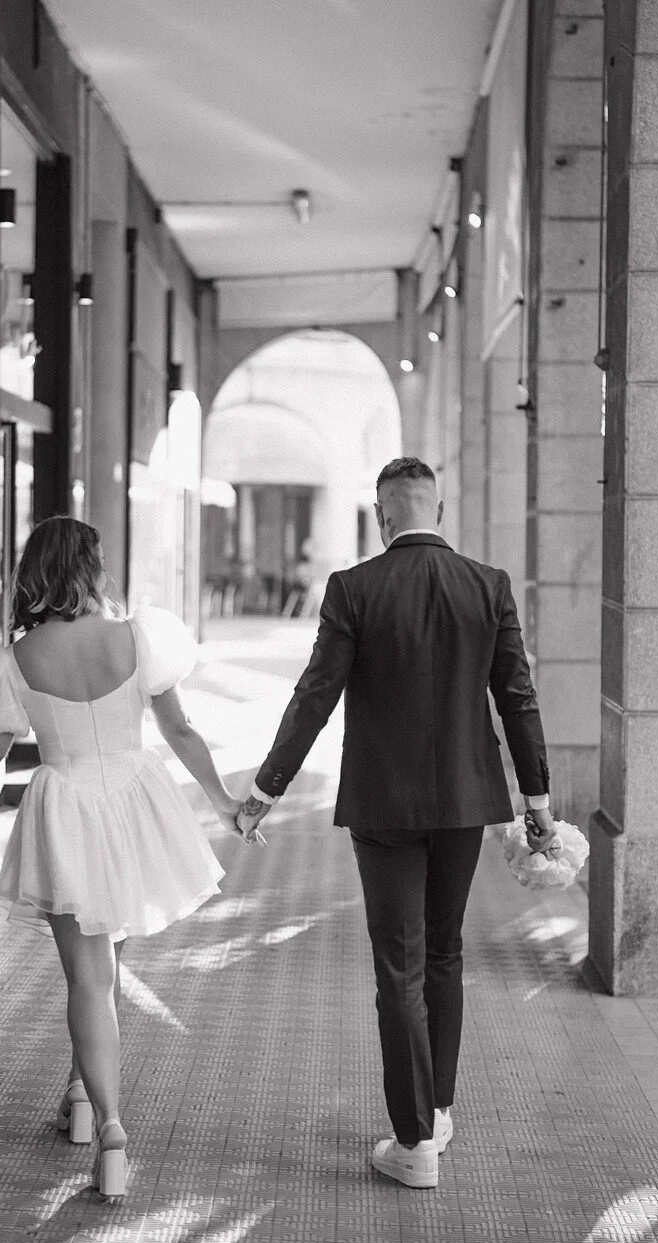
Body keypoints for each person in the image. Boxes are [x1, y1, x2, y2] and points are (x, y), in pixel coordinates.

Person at [0, 517, 248, 1201]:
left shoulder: (13, 660)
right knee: (108, 963)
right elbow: (180, 729)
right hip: (134, 802)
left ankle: (106, 1123)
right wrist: (223, 802)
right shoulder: (137, 638)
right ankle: (83, 1098)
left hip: (66, 810)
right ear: (87, 568)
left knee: (88, 978)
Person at [237, 457, 556, 1190]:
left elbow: (314, 695)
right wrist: (537, 802)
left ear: (383, 517)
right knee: (444, 952)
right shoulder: (488, 585)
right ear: (437, 511)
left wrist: (264, 790)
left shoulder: (354, 588)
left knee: (399, 966)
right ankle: (436, 1114)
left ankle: (413, 1143)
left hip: (383, 806)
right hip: (466, 804)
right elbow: (518, 697)